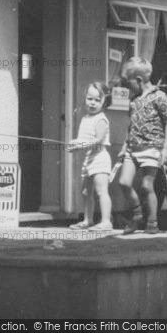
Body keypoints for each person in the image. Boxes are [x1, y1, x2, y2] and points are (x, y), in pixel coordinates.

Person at [118, 57, 167, 235]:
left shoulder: (159, 96)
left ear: (139, 80)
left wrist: (166, 148)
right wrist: (125, 144)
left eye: (127, 83)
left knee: (146, 186)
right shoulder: (134, 100)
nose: (126, 87)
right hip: (133, 148)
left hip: (152, 147)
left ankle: (152, 222)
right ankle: (136, 214)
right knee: (124, 182)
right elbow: (131, 124)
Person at [68, 81, 113, 231]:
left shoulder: (101, 119)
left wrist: (80, 145)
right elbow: (83, 140)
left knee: (101, 191)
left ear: (104, 102)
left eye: (97, 100)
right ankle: (88, 220)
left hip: (100, 158)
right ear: (85, 98)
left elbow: (98, 140)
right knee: (86, 192)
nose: (93, 103)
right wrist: (75, 146)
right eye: (90, 99)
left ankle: (106, 221)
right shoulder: (85, 118)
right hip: (88, 159)